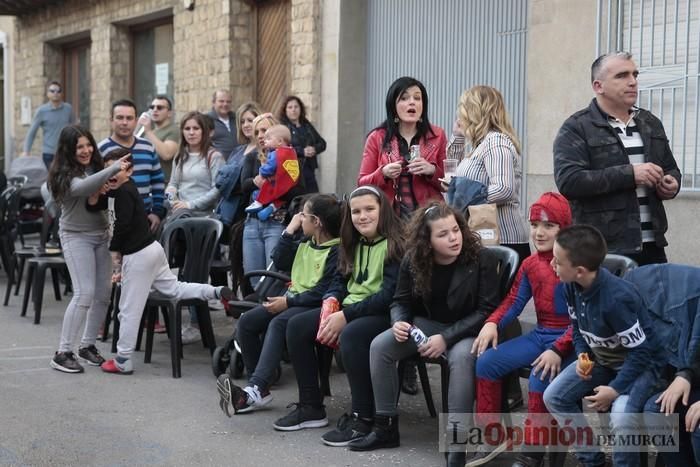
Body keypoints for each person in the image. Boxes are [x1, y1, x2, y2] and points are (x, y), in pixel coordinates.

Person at [347, 203, 500, 467]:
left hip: (469, 329)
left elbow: (487, 311)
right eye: (443, 234)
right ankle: (386, 427)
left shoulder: (481, 258)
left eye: (456, 230)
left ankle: (456, 446)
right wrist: (399, 322)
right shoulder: (414, 258)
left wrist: (446, 338)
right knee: (380, 346)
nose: (453, 238)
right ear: (426, 241)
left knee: (462, 359)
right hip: (427, 325)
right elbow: (400, 300)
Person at [271, 186, 404, 448]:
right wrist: (331, 301)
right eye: (356, 211)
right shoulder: (351, 242)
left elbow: (388, 296)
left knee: (353, 334)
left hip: (380, 314)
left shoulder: (394, 246)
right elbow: (339, 280)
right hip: (348, 309)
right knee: (297, 325)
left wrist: (346, 315)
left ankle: (362, 417)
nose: (362, 216)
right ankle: (311, 407)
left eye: (369, 209)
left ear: (383, 211)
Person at [85, 149, 233, 374]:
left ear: (130, 170)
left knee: (128, 309)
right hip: (152, 251)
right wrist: (97, 193)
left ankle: (123, 359)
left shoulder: (124, 192)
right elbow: (97, 205)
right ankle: (214, 291)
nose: (112, 173)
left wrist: (116, 252)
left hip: (138, 255)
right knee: (174, 289)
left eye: (119, 169)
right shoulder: (119, 190)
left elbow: (123, 226)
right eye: (109, 169)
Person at [543, 224, 666, 467]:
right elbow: (578, 328)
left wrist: (615, 389)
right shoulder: (570, 287)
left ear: (579, 270)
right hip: (604, 361)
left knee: (620, 415)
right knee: (554, 396)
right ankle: (592, 460)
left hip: (642, 367)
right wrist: (582, 356)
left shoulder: (616, 300)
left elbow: (641, 353)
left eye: (557, 261)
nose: (551, 265)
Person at [469, 192, 574, 467]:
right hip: (541, 335)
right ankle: (493, 436)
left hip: (570, 342)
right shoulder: (529, 264)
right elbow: (513, 302)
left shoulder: (573, 263)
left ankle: (533, 452)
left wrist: (557, 349)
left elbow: (584, 321)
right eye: (534, 224)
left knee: (540, 378)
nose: (539, 233)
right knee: (487, 362)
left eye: (548, 226)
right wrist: (492, 322)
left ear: (565, 228)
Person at [217, 194, 342, 415]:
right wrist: (288, 232)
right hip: (294, 299)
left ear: (317, 222)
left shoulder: (335, 250)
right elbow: (280, 259)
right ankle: (259, 387)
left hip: (313, 306)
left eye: (303, 215)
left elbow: (323, 292)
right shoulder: (307, 242)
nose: (298, 218)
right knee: (247, 322)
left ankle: (254, 389)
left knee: (278, 322)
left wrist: (288, 301)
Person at [553, 51, 681, 266]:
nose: (632, 82)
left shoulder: (650, 123)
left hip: (653, 247)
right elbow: (569, 181)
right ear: (598, 86)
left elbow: (670, 168)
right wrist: (630, 174)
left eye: (635, 75)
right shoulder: (577, 127)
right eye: (622, 76)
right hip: (600, 250)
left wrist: (671, 183)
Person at [46, 125, 131, 373]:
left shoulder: (93, 168)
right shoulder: (63, 174)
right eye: (79, 147)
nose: (85, 151)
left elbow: (98, 193)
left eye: (88, 145)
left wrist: (107, 181)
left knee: (103, 295)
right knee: (84, 293)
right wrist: (112, 169)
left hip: (101, 235)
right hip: (75, 237)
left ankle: (87, 346)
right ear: (68, 151)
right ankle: (63, 352)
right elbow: (78, 189)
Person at [163, 111, 224, 345]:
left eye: (195, 129)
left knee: (196, 273)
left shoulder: (213, 156)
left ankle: (197, 324)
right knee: (183, 273)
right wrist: (172, 197)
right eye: (187, 129)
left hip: (203, 222)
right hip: (180, 220)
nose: (191, 133)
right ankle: (186, 319)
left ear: (205, 131)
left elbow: (217, 190)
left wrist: (190, 204)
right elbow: (173, 184)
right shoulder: (181, 155)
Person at [453, 85, 530, 261]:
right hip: (485, 237)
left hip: (503, 240)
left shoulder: (495, 141)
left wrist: (466, 199)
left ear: (475, 110)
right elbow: (453, 171)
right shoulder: (479, 145)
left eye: (463, 107)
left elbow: (504, 189)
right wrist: (458, 136)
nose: (460, 113)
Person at [358, 76, 446, 219]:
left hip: (429, 218)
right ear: (393, 105)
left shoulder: (438, 135)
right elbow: (362, 183)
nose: (412, 102)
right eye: (404, 98)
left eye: (417, 98)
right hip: (390, 218)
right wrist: (383, 173)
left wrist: (431, 171)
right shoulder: (377, 137)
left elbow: (447, 184)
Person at [241, 113, 305, 286]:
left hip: (277, 222)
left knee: (273, 279)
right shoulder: (252, 158)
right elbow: (243, 186)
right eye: (257, 132)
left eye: (265, 130)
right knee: (254, 278)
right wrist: (257, 181)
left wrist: (274, 186)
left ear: (279, 137)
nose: (261, 135)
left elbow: (298, 190)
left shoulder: (290, 157)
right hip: (252, 224)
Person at [98, 98, 166, 233]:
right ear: (111, 120)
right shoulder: (101, 149)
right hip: (111, 222)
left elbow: (158, 182)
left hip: (144, 220)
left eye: (129, 118)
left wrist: (157, 212)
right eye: (119, 118)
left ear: (136, 121)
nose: (124, 122)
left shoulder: (148, 147)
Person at [244, 124, 300, 221]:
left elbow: (270, 167)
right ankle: (270, 208)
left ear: (279, 141)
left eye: (268, 138)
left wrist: (262, 173)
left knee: (265, 188)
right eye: (257, 132)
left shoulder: (276, 153)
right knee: (277, 200)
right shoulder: (292, 152)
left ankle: (258, 203)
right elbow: (244, 184)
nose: (263, 138)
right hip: (289, 182)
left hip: (278, 218)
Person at [22, 80, 75, 168]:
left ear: (61, 94)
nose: (56, 93)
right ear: (47, 94)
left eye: (58, 91)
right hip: (49, 154)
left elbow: (75, 128)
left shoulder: (68, 109)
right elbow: (32, 132)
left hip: (66, 152)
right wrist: (26, 151)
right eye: (52, 91)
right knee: (52, 179)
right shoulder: (42, 111)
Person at [279, 95, 326, 193]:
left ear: (300, 109)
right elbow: (281, 148)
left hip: (309, 169)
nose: (293, 110)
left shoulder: (306, 125)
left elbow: (322, 143)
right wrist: (302, 151)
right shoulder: (283, 128)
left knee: (313, 199)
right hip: (292, 171)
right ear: (285, 110)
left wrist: (314, 149)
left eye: (296, 107)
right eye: (290, 107)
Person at [137, 95, 179, 180]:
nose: (155, 110)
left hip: (165, 182)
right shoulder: (149, 131)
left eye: (160, 107)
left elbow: (167, 154)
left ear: (169, 113)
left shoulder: (174, 130)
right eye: (152, 107)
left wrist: (148, 132)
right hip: (148, 181)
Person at [207, 89, 238, 158]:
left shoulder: (237, 118)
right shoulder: (206, 120)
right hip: (218, 164)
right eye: (221, 101)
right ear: (213, 102)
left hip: (238, 164)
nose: (225, 104)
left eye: (228, 102)